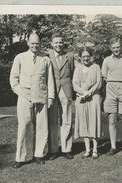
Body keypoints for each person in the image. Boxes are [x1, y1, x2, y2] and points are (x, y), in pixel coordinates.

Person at [10, 32, 55, 168]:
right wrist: (22, 93)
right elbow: (13, 80)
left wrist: (51, 97)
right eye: (33, 43)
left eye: (37, 43)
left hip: (41, 96)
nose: (35, 45)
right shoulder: (20, 58)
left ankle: (39, 154)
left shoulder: (46, 59)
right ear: (28, 43)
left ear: (40, 44)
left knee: (42, 127)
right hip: (25, 96)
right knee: (24, 126)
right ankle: (20, 158)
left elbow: (50, 81)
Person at [47, 32, 75, 160]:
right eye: (56, 42)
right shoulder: (47, 56)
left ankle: (66, 149)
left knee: (67, 120)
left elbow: (72, 72)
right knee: (52, 121)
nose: (58, 44)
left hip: (66, 90)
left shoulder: (69, 56)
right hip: (52, 91)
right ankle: (53, 150)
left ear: (63, 43)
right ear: (52, 44)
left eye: (60, 42)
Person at [73, 47, 102, 159]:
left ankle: (95, 149)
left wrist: (89, 93)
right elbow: (75, 84)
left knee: (93, 121)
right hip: (81, 97)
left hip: (93, 97)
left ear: (91, 57)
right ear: (80, 57)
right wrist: (83, 92)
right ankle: (87, 149)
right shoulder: (77, 68)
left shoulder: (96, 67)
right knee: (83, 122)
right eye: (83, 56)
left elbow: (99, 83)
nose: (85, 58)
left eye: (87, 56)